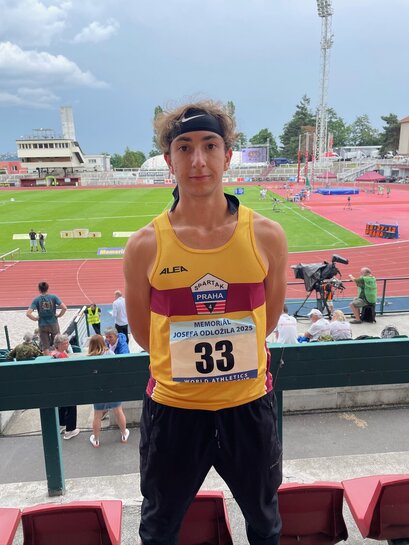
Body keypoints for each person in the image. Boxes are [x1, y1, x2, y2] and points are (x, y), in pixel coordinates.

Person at [124, 100, 288, 545]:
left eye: (210, 145)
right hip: (174, 411)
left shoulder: (267, 235)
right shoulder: (144, 245)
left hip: (248, 407)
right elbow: (144, 334)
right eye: (185, 147)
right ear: (169, 160)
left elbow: (268, 320)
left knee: (265, 525)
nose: (198, 160)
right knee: (159, 529)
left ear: (227, 156)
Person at [87, 334, 130, 448]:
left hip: (98, 390)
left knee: (97, 415)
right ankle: (124, 435)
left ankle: (96, 440)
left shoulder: (89, 358)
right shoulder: (110, 353)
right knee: (118, 411)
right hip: (112, 388)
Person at [51, 334, 80, 440]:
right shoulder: (62, 356)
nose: (68, 344)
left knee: (62, 406)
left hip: (59, 386)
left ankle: (61, 424)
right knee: (71, 407)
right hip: (67, 386)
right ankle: (70, 430)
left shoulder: (53, 354)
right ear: (59, 344)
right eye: (66, 343)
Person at [26, 281, 67, 355]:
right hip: (53, 323)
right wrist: (59, 315)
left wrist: (35, 318)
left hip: (42, 324)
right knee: (58, 342)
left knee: (45, 346)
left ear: (39, 289)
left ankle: (47, 359)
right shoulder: (53, 297)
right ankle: (59, 357)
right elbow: (64, 308)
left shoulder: (36, 299)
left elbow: (28, 313)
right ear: (47, 288)